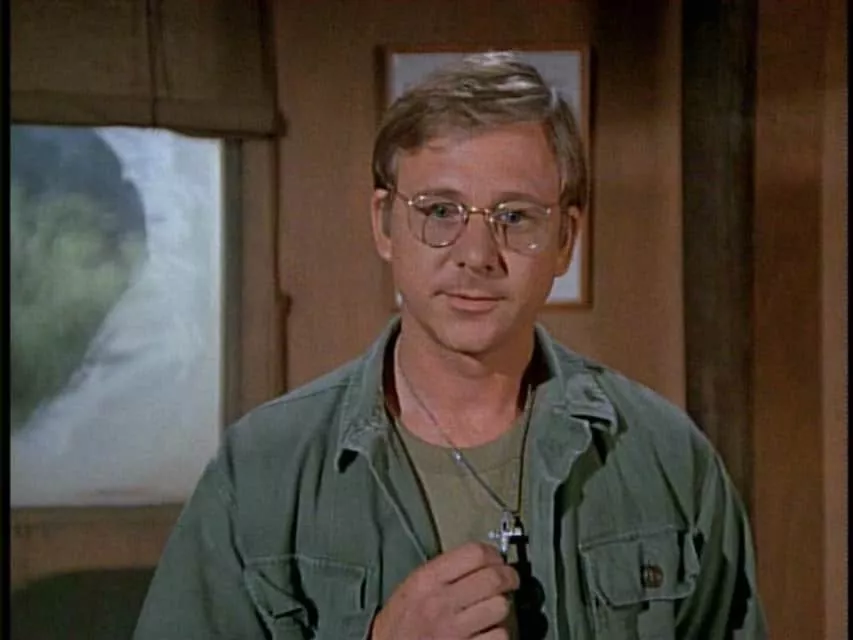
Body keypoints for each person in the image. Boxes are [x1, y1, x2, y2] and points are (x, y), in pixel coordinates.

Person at [133, 51, 767, 639]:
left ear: (565, 241)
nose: (476, 255)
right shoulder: (263, 471)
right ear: (385, 224)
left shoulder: (665, 458)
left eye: (515, 217)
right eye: (440, 211)